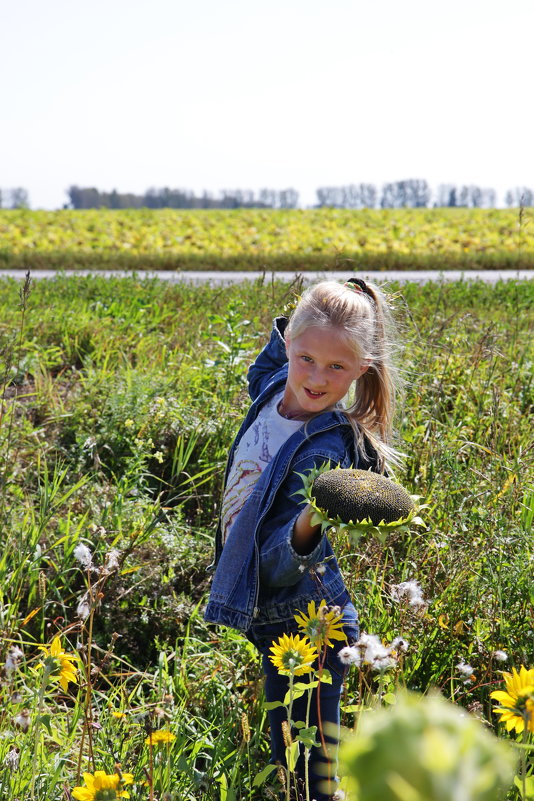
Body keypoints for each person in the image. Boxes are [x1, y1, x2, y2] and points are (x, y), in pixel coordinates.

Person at [204, 277, 401, 800]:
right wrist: (328, 303)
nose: (316, 379)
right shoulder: (276, 389)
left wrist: (309, 522)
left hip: (310, 623)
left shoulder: (325, 448)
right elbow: (264, 367)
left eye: (337, 367)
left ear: (362, 370)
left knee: (308, 778)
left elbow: (275, 566)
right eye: (307, 357)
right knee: (291, 757)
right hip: (280, 620)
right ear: (288, 343)